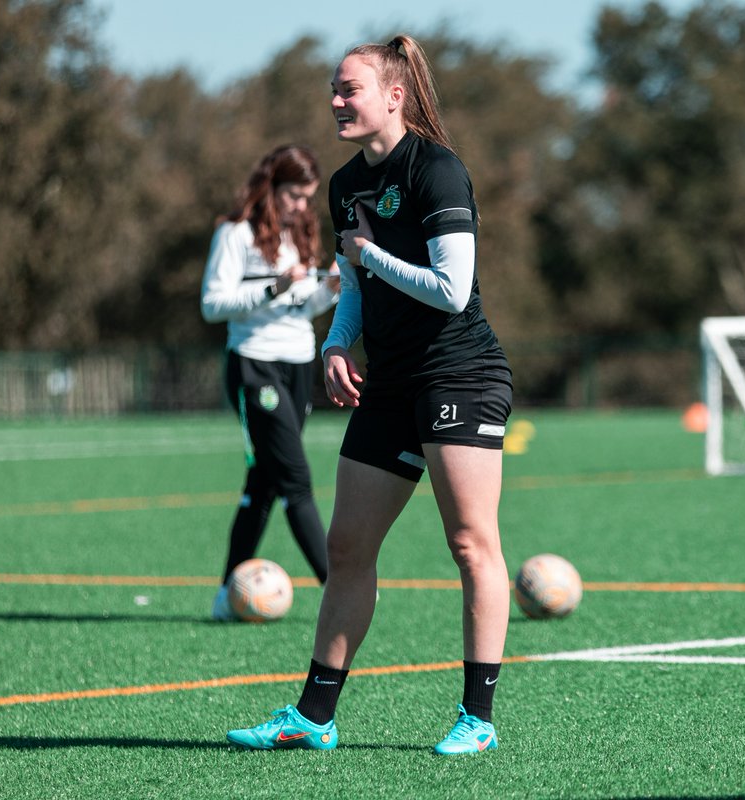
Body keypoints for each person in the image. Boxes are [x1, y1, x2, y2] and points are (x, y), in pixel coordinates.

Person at [225, 34, 512, 755]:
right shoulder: (347, 184)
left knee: (470, 544)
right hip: (388, 382)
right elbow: (353, 285)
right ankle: (314, 717)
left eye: (348, 89)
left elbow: (451, 292)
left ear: (395, 95)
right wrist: (332, 345)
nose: (335, 101)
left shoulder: (438, 171)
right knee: (348, 546)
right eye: (332, 88)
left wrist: (368, 254)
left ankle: (476, 719)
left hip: (460, 375)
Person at [200, 145, 339, 620]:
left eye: (308, 197)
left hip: (298, 362)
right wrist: (274, 285)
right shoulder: (235, 232)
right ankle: (339, 584)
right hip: (253, 365)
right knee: (296, 479)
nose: (302, 206)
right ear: (271, 187)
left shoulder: (300, 231)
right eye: (295, 195)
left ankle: (226, 596)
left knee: (262, 484)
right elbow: (212, 304)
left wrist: (329, 291)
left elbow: (302, 308)